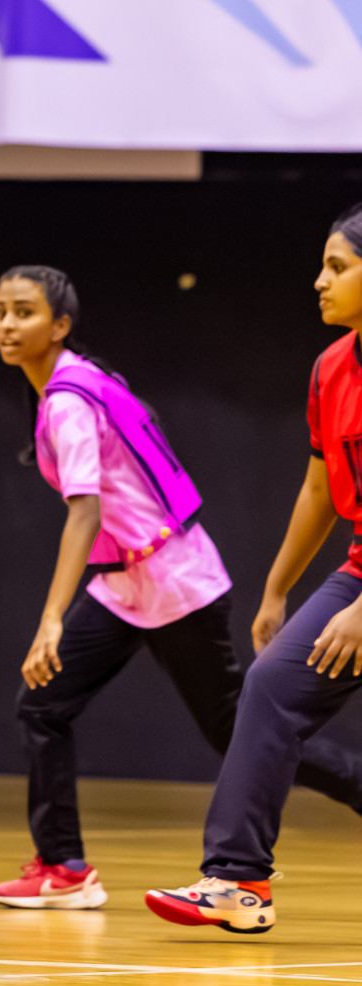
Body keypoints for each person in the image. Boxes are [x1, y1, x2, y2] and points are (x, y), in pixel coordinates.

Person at [0, 266, 362, 914]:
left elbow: (85, 512)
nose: (6, 325)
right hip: (128, 583)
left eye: (23, 311)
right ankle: (69, 867)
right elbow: (316, 484)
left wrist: (49, 620)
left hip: (174, 579)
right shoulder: (79, 383)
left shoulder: (72, 397)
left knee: (240, 725)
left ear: (61, 325)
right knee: (45, 705)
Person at [147, 205, 362, 933]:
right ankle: (240, 881)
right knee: (270, 686)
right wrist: (278, 590)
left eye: (338, 266)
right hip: (358, 574)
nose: (319, 281)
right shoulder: (331, 369)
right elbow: (317, 486)